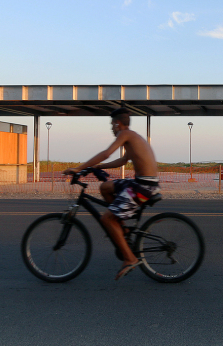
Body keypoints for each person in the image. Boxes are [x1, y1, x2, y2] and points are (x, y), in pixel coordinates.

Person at [63, 107, 160, 281]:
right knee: (105, 188)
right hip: (142, 182)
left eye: (112, 124)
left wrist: (80, 167)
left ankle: (130, 258)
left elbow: (107, 153)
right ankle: (120, 226)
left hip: (144, 187)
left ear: (117, 123)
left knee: (106, 218)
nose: (111, 128)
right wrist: (98, 167)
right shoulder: (132, 137)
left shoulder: (125, 134)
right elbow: (122, 161)